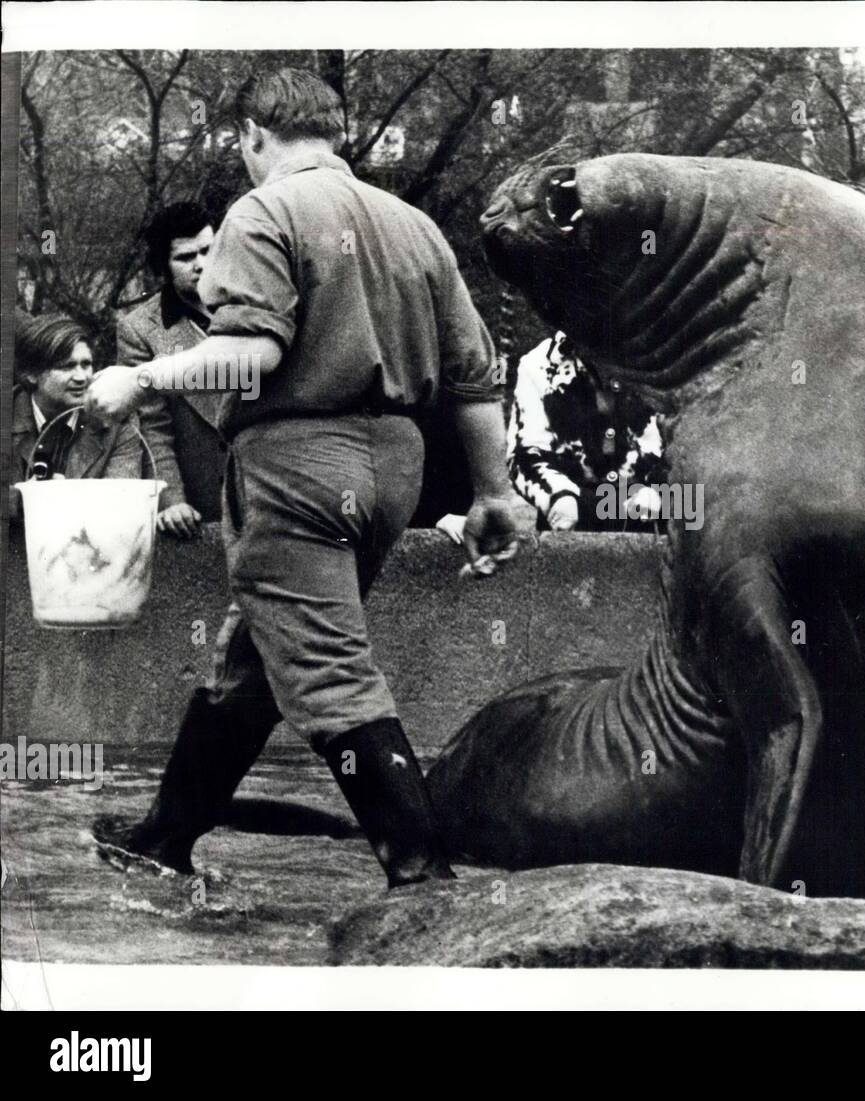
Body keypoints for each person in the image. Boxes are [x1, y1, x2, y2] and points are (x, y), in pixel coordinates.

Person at [86, 68, 518, 890]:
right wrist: (494, 493)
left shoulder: (265, 209)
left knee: (326, 669)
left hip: (299, 462)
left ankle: (422, 875)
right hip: (394, 465)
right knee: (258, 655)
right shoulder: (414, 225)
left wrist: (143, 378)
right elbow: (473, 379)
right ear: (339, 131)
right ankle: (164, 838)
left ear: (253, 134)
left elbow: (254, 350)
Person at [117, 201, 224, 539]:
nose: (201, 264)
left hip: (268, 489)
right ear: (164, 265)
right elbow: (152, 427)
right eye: (185, 257)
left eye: (208, 250)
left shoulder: (257, 305)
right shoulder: (139, 329)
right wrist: (171, 499)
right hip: (199, 497)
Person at [508, 330, 668, 531]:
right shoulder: (537, 364)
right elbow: (525, 455)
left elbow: (690, 443)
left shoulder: (660, 357)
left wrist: (660, 488)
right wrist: (559, 496)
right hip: (573, 514)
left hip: (654, 514)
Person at [8, 314, 144, 519]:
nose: (81, 377)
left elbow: (121, 503)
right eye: (66, 366)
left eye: (86, 364)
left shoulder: (116, 418)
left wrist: (69, 497)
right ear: (31, 374)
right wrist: (23, 498)